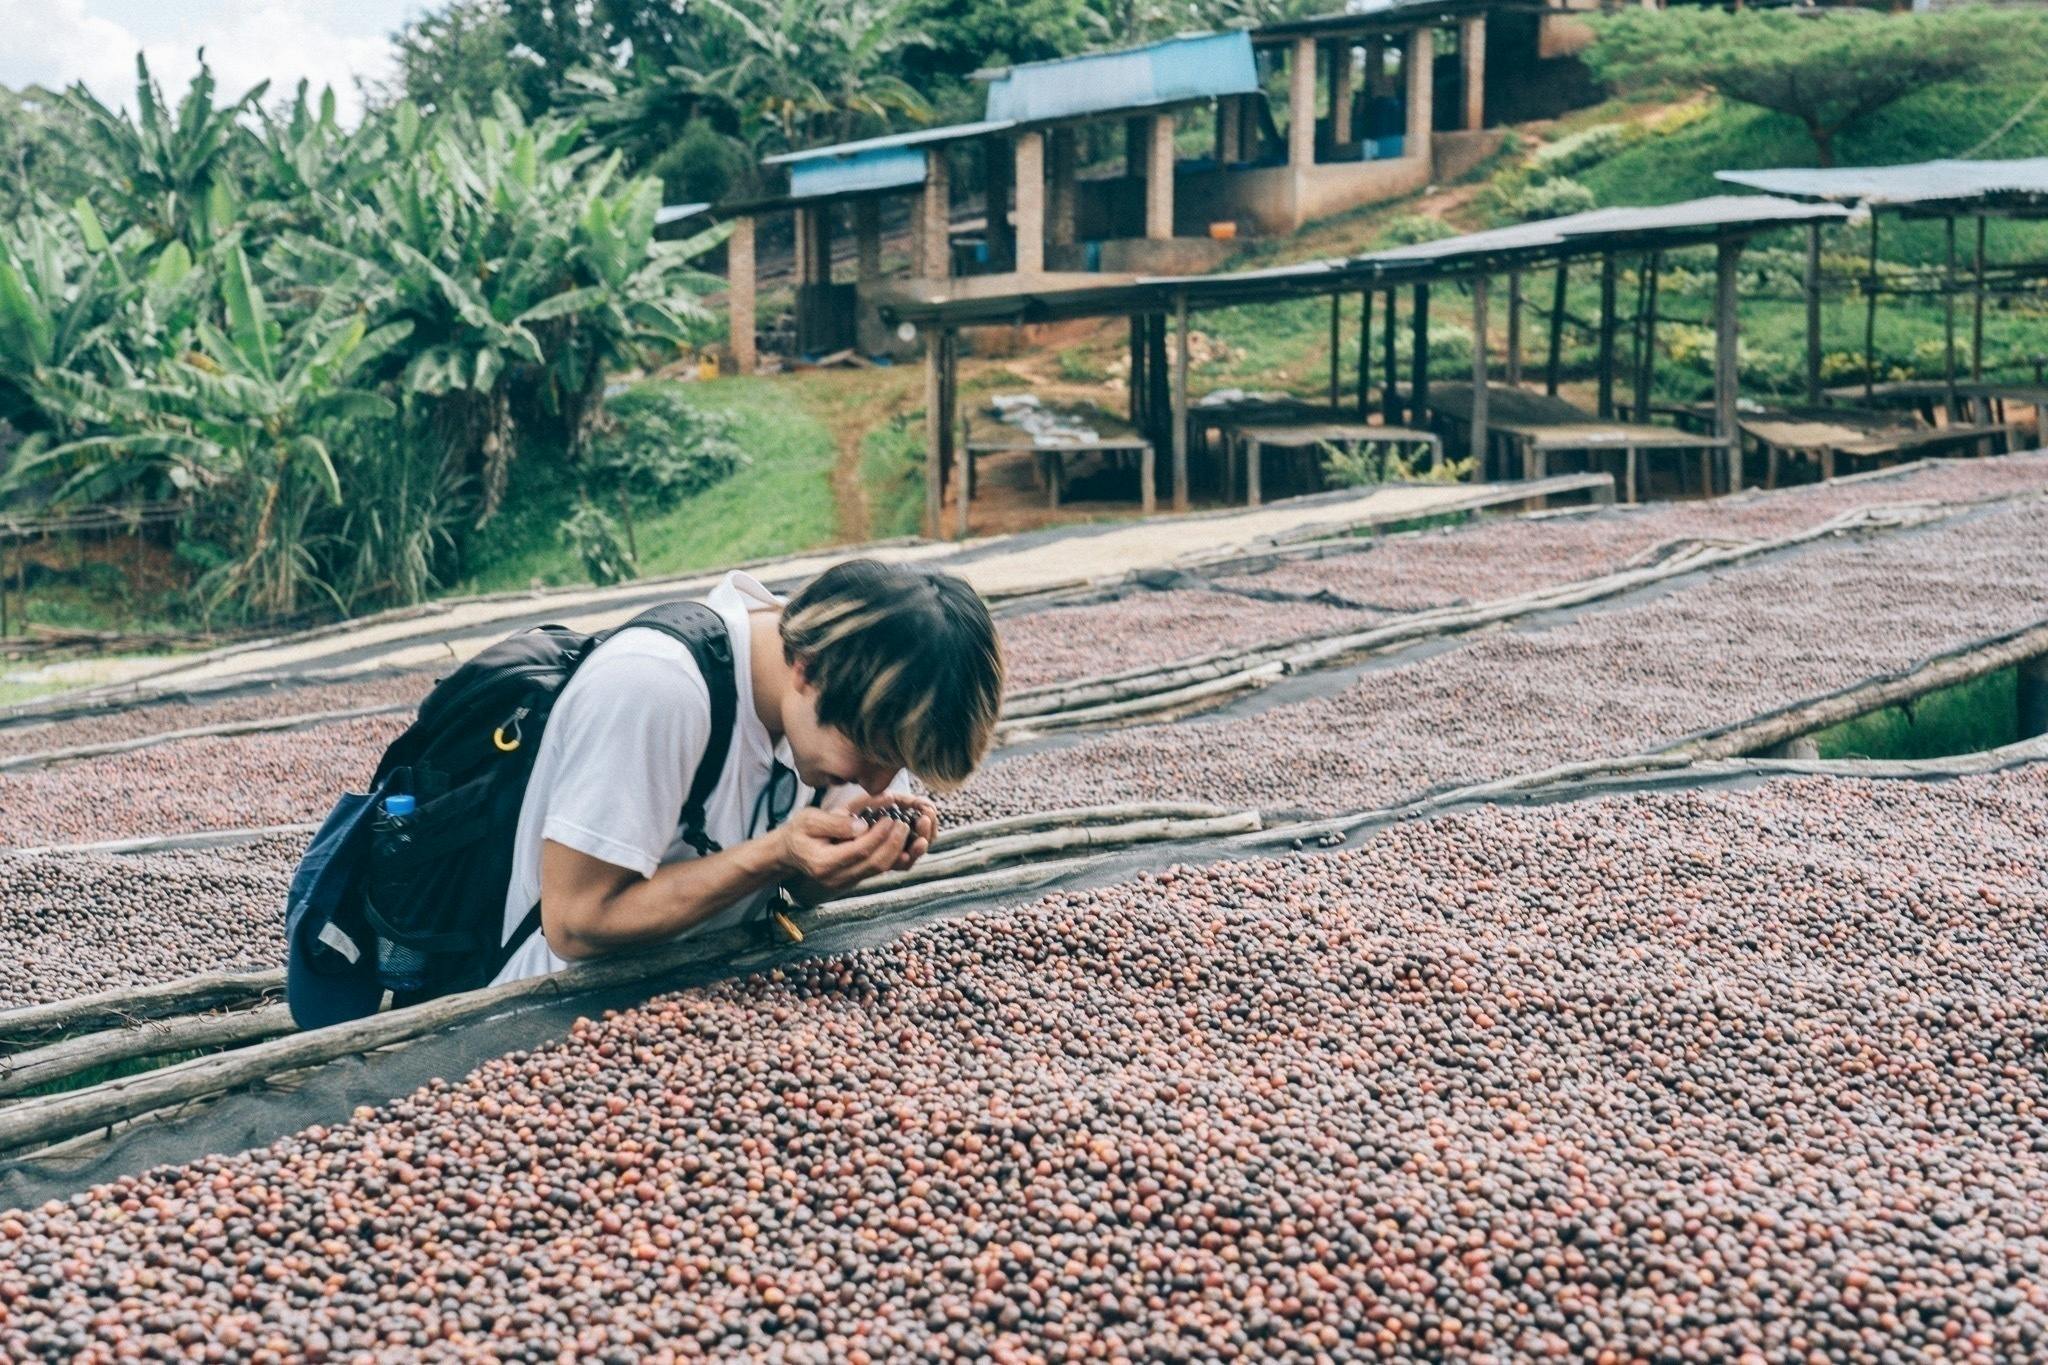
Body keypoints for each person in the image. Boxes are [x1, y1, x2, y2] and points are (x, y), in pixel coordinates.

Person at [490, 558, 1004, 984]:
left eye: (900, 764)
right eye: (871, 753)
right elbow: (577, 924)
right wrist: (776, 855)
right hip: (548, 1006)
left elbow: (801, 892)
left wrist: (848, 860)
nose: (877, 783)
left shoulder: (846, 706)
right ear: (805, 669)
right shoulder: (654, 688)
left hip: (709, 985)